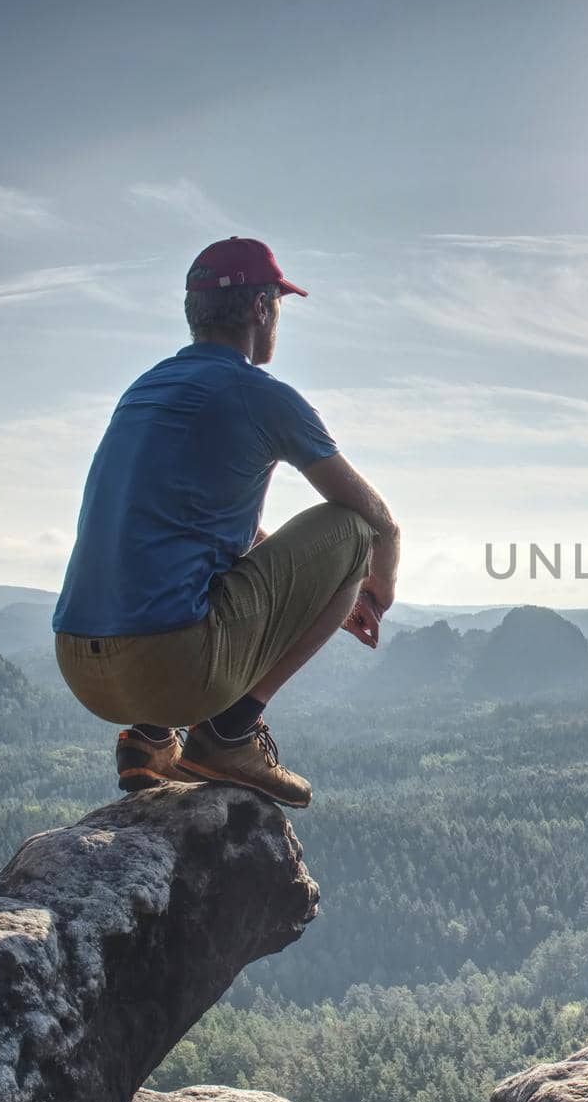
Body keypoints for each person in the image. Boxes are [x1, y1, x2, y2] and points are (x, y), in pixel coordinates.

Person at [52, 237, 401, 807]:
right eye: (279, 305)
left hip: (78, 661)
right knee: (351, 532)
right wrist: (372, 587)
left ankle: (150, 739)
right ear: (261, 308)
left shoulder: (145, 388)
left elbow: (203, 531)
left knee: (184, 552)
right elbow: (379, 522)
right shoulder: (261, 395)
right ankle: (228, 736)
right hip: (167, 667)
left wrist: (312, 591)